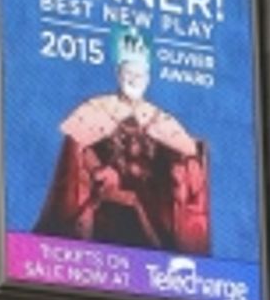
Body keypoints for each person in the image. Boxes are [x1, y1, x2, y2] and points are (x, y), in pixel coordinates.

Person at [34, 33, 210, 255]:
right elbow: (76, 151)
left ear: (148, 78)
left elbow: (190, 155)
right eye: (129, 73)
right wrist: (97, 168)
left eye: (140, 75)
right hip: (105, 205)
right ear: (119, 74)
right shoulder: (96, 109)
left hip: (149, 206)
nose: (134, 80)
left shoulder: (161, 119)